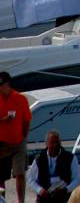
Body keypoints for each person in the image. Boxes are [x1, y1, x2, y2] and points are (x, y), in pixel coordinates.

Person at [0, 71, 32, 203]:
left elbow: (27, 119)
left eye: (2, 85)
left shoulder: (20, 98)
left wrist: (24, 135)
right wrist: (3, 120)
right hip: (2, 142)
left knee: (20, 173)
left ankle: (21, 201)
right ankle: (2, 199)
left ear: (8, 84)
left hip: (18, 141)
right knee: (1, 175)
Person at [29, 131, 79, 203]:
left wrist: (66, 189)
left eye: (57, 142)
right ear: (46, 144)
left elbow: (78, 178)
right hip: (44, 198)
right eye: (52, 143)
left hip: (64, 198)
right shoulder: (39, 159)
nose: (55, 145)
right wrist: (39, 190)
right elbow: (30, 179)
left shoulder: (70, 158)